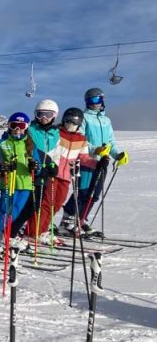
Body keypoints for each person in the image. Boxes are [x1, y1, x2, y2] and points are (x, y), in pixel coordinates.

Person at [60, 87, 129, 235]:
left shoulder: (106, 120)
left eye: (97, 100)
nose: (94, 104)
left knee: (94, 194)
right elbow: (81, 139)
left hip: (101, 162)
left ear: (102, 100)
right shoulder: (84, 118)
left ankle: (81, 220)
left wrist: (118, 155)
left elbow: (111, 142)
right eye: (90, 101)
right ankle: (67, 221)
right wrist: (95, 150)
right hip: (85, 161)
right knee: (82, 192)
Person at [0, 112, 44, 258]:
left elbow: (38, 168)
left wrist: (35, 166)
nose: (17, 129)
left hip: (25, 186)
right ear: (9, 126)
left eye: (21, 126)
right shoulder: (1, 144)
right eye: (14, 125)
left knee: (11, 217)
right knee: (4, 215)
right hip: (8, 184)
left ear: (26, 127)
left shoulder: (31, 145)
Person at [33, 107, 94, 246]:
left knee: (57, 204)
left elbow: (84, 158)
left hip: (66, 177)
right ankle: (37, 231)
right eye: (67, 120)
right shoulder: (57, 133)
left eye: (74, 121)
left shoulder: (81, 139)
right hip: (53, 173)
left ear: (79, 123)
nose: (69, 124)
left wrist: (98, 163)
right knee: (47, 203)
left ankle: (43, 229)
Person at [13, 99, 60, 240]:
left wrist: (54, 166)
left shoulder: (55, 133)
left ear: (55, 116)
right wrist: (38, 164)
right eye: (40, 114)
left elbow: (56, 152)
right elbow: (28, 149)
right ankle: (10, 231)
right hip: (29, 171)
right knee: (23, 204)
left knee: (34, 206)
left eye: (48, 114)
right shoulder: (31, 130)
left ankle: (15, 230)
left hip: (43, 174)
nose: (44, 118)